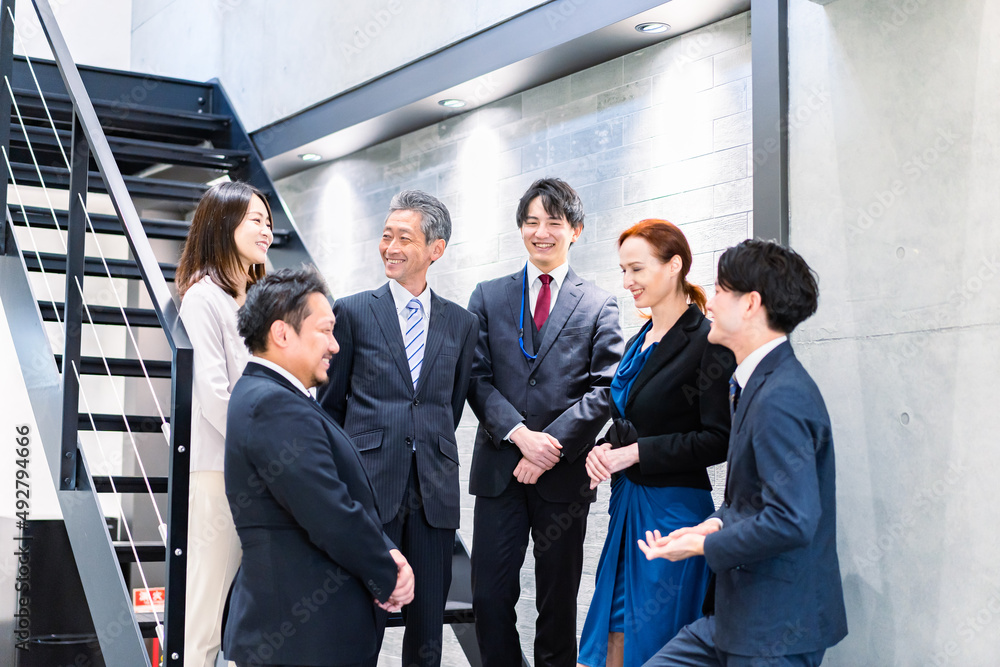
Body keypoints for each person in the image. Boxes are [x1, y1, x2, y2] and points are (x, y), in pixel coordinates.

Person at [638, 239, 848, 667]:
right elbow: (752, 501)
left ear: (750, 304)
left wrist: (703, 546)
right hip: (735, 618)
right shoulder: (754, 382)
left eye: (719, 291)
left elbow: (792, 519)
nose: (710, 303)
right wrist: (711, 525)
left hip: (776, 627)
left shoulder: (782, 395)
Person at [466, 177, 624, 667]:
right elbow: (474, 377)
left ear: (575, 230)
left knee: (557, 603)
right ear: (520, 228)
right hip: (500, 471)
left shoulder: (599, 303)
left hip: (562, 476)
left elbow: (607, 388)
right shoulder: (487, 296)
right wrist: (520, 436)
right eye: (531, 222)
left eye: (553, 222)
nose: (541, 233)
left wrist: (548, 446)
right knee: (488, 598)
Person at [224, 267, 415, 667]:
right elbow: (329, 512)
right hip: (298, 636)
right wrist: (388, 571)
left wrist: (387, 551)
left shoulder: (277, 396)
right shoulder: (273, 404)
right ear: (282, 333)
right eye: (326, 331)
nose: (335, 345)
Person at [320, 190, 478, 667]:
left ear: (436, 248)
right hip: (369, 490)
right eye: (386, 236)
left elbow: (449, 406)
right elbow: (331, 406)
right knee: (360, 622)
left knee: (428, 629)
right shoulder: (351, 312)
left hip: (434, 495)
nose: (390, 247)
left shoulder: (462, 323)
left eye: (404, 238)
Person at [577, 220, 735, 667]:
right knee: (612, 633)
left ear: (674, 266)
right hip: (627, 506)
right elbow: (633, 421)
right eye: (623, 271)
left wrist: (636, 453)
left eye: (637, 269)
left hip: (672, 513)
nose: (627, 281)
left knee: (654, 638)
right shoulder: (637, 341)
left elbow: (719, 439)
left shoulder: (708, 340)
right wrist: (604, 447)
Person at [175, 181, 273, 667]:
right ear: (223, 224)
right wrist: (270, 442)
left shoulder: (258, 301)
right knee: (206, 612)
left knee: (253, 611)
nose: (267, 231)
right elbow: (215, 396)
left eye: (269, 222)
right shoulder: (203, 298)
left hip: (264, 471)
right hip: (220, 471)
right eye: (256, 220)